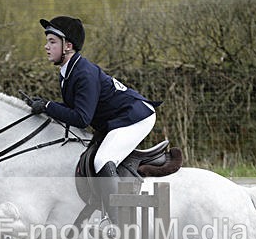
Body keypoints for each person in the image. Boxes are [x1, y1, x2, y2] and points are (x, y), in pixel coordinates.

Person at [27, 16, 160, 228]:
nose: (46, 46)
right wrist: (46, 106)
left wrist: (48, 106)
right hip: (117, 119)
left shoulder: (83, 73)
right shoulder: (69, 70)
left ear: (68, 46)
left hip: (135, 116)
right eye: (48, 41)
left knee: (102, 160)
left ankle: (119, 223)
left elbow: (81, 118)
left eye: (52, 41)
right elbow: (75, 109)